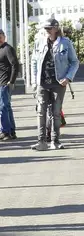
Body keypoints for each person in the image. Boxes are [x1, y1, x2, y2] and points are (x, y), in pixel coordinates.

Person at [30, 18, 79, 151]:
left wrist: (68, 78)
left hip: (58, 83)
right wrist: (34, 81)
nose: (46, 31)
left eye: (49, 28)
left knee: (56, 112)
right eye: (45, 28)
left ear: (56, 29)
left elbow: (75, 62)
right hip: (42, 82)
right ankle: (41, 141)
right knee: (41, 111)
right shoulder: (39, 43)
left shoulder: (66, 43)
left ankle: (55, 141)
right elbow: (34, 61)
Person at [0, 28, 19, 141]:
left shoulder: (7, 49)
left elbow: (15, 65)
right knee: (6, 107)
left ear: (4, 37)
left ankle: (5, 131)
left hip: (3, 82)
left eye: (0, 36)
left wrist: (11, 81)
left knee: (2, 108)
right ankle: (11, 131)